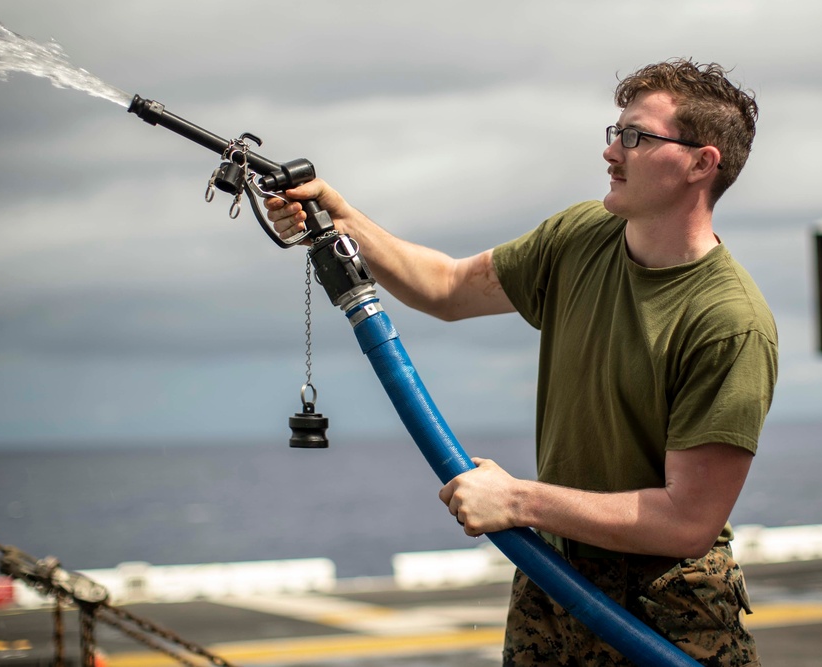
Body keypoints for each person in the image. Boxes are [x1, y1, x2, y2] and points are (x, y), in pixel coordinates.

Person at [267, 58, 776, 667]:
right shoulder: (581, 235)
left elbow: (686, 522)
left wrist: (518, 503)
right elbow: (449, 287)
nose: (613, 153)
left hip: (664, 607)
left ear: (701, 163)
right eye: (614, 133)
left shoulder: (729, 322)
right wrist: (341, 216)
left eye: (637, 137)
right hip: (553, 576)